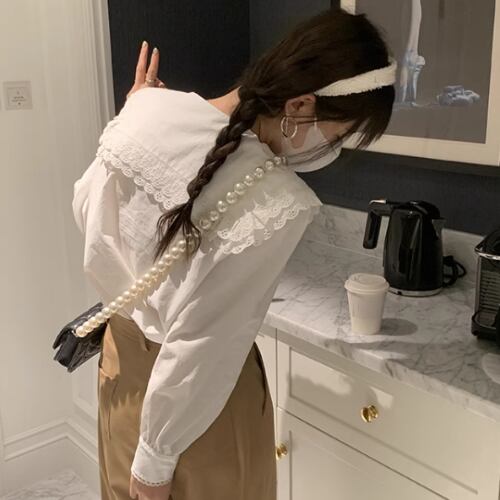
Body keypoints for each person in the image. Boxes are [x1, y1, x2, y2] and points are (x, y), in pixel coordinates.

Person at [72, 7, 396, 500]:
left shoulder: (146, 107)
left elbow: (86, 212)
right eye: (338, 135)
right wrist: (155, 461)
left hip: (118, 366)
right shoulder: (277, 203)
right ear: (300, 105)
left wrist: (134, 112)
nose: (332, 151)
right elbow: (202, 344)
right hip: (195, 417)